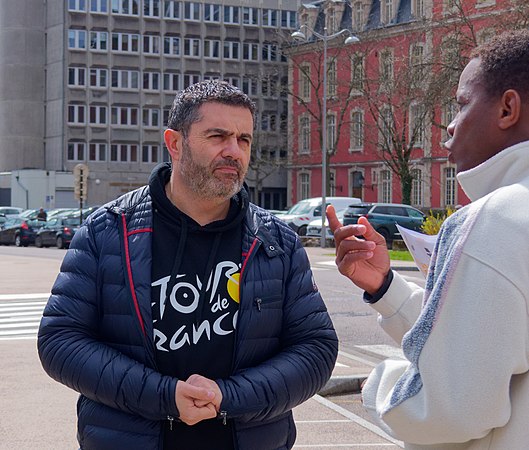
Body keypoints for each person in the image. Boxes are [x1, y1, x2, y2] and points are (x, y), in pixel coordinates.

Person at [38, 80, 338, 450]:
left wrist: (228, 397)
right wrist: (165, 396)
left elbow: (316, 349)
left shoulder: (276, 241)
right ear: (175, 143)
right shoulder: (108, 231)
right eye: (218, 136)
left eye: (243, 139)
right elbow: (60, 341)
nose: (234, 152)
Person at [327, 29, 529, 449]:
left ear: (508, 108)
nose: (449, 127)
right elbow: (483, 336)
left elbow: (447, 407)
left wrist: (377, 384)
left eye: (461, 104)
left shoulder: (494, 220)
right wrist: (386, 287)